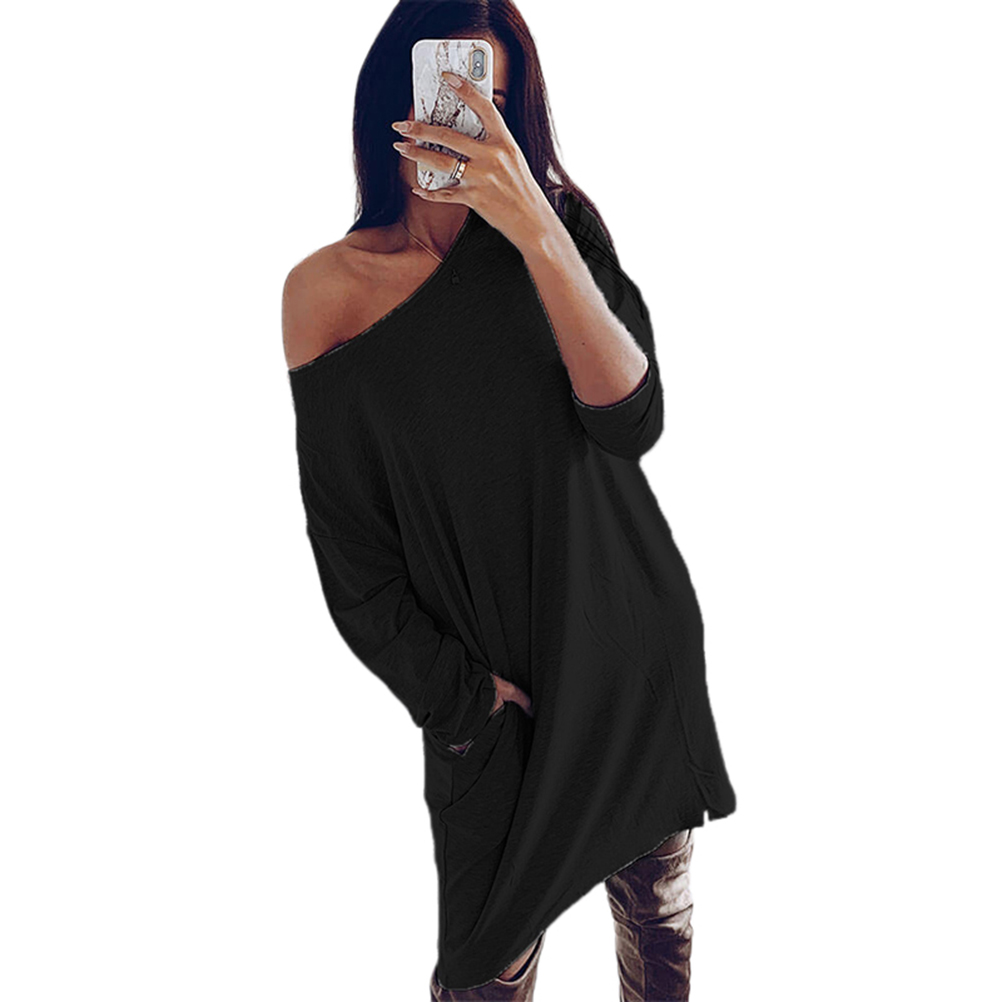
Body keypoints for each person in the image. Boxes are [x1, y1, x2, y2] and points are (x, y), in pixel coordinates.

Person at [282, 3, 736, 999]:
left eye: (483, 97)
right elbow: (352, 554)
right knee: (481, 973)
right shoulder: (326, 291)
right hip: (490, 709)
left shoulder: (558, 233)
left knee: (656, 928)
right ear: (392, 99)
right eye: (443, 89)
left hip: (625, 659)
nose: (461, 117)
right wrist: (461, 702)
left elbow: (631, 420)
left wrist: (531, 221)